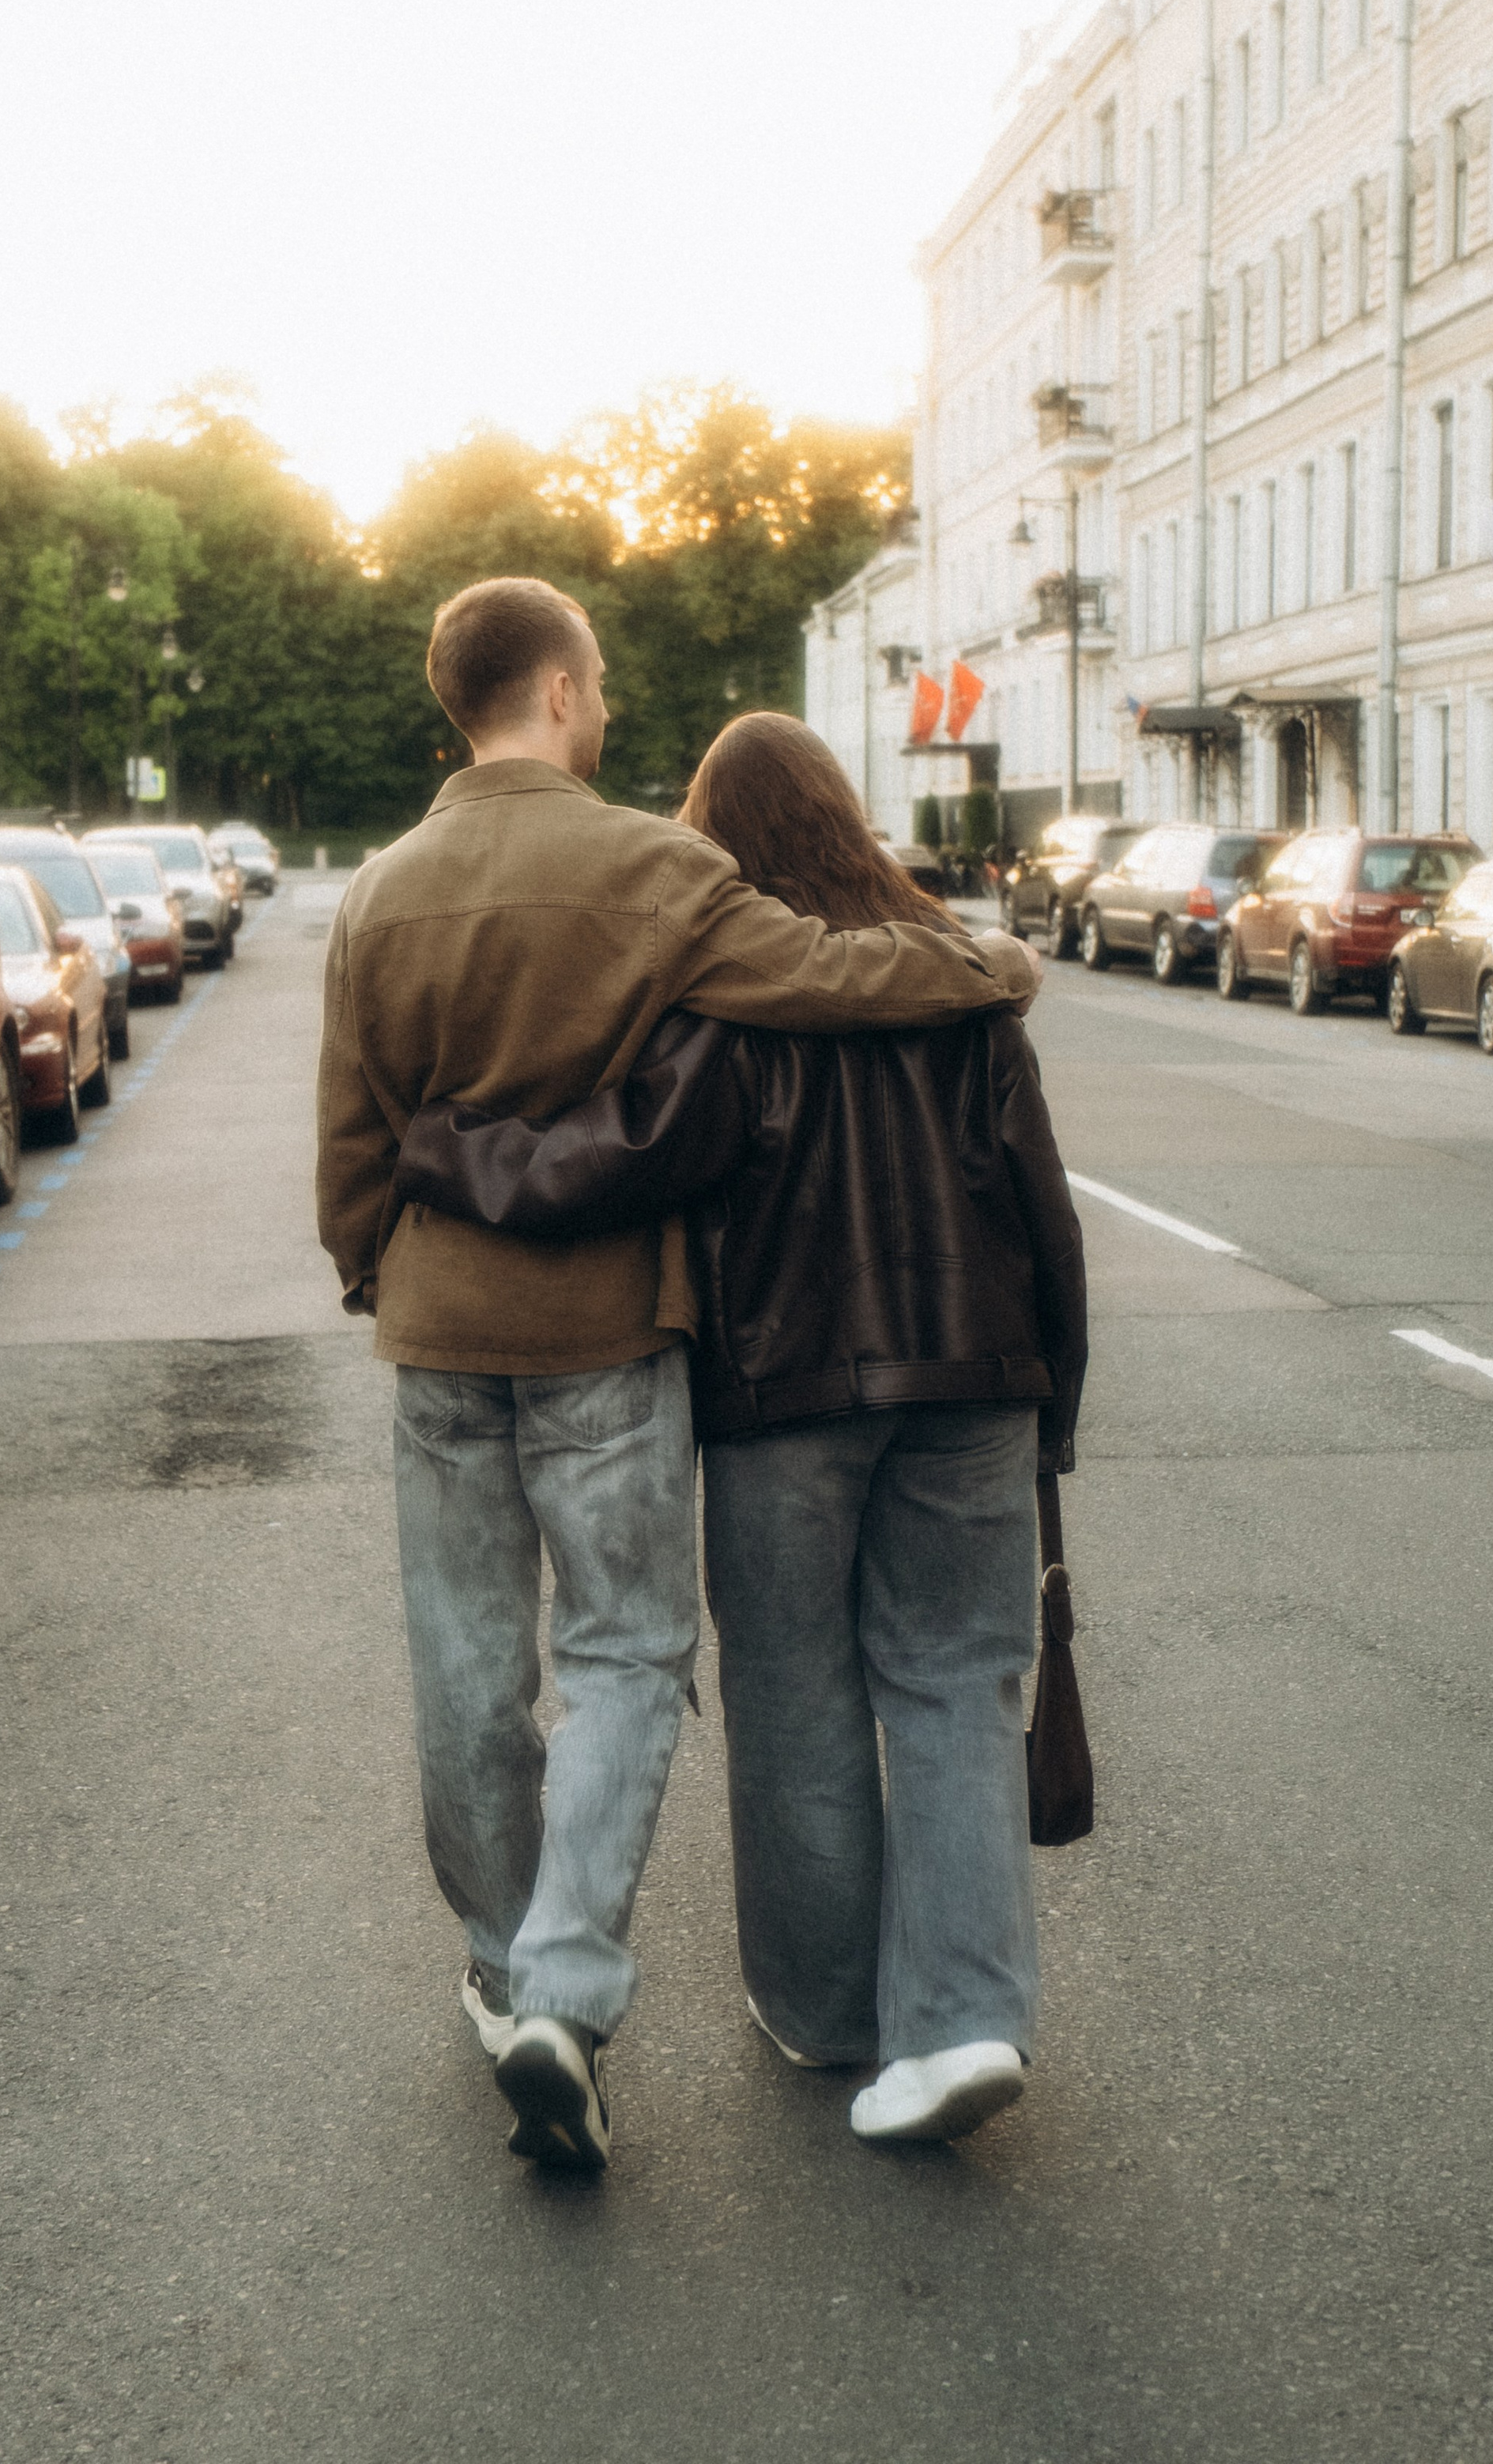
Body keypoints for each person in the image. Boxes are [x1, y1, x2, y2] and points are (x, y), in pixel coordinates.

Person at [315, 582, 1036, 2174]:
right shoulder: (653, 869)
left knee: (462, 1664)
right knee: (630, 1652)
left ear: (457, 703)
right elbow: (833, 981)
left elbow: (352, 1137)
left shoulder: (378, 891)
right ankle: (572, 1993)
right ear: (560, 691)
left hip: (440, 1327)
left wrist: (378, 1266)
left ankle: (511, 1972)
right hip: (605, 1332)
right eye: (602, 684)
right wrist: (983, 970)